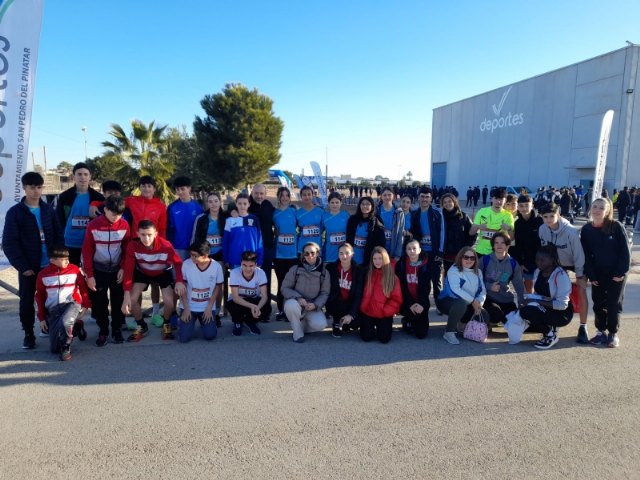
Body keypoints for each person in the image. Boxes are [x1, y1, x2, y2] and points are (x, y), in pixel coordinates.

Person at [3, 172, 65, 349]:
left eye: (39, 187)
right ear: (24, 188)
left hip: (50, 265)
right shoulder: (15, 213)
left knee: (53, 300)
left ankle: (50, 328)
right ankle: (28, 334)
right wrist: (23, 266)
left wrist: (59, 259)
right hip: (29, 267)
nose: (35, 191)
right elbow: (9, 243)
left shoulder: (48, 210)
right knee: (27, 301)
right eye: (31, 187)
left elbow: (58, 235)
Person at [121, 220, 186, 342]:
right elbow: (129, 271)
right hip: (143, 272)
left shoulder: (165, 245)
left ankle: (166, 324)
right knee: (132, 299)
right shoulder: (132, 245)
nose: (146, 238)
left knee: (169, 302)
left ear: (156, 233)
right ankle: (141, 325)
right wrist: (126, 294)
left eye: (149, 235)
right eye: (143, 235)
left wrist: (179, 281)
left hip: (162, 272)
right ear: (137, 234)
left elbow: (178, 263)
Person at [580, 198, 631, 348]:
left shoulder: (616, 227)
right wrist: (591, 274)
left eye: (601, 208)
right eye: (594, 206)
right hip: (598, 273)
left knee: (613, 304)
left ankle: (613, 334)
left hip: (616, 273)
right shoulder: (587, 230)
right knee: (598, 303)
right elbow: (586, 255)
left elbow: (625, 252)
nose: (597, 210)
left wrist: (621, 272)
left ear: (608, 211)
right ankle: (601, 331)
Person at [81, 195, 130, 346]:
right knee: (100, 303)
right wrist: (89, 275)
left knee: (117, 302)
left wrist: (123, 267)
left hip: (116, 270)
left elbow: (127, 249)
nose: (117, 217)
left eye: (120, 214)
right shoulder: (93, 226)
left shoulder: (124, 225)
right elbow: (87, 251)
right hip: (98, 270)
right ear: (105, 210)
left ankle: (116, 329)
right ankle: (103, 330)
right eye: (114, 213)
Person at [538, 202, 589, 343]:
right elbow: (544, 251)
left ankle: (583, 327)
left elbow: (579, 255)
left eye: (551, 216)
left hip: (573, 263)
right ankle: (553, 324)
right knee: (551, 292)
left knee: (581, 291)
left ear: (558, 215)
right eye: (545, 216)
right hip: (555, 265)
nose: (548, 219)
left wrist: (580, 275)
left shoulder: (570, 231)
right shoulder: (542, 229)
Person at [35, 245, 91, 361]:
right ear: (52, 260)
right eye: (63, 259)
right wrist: (41, 318)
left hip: (71, 303)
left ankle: (66, 347)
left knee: (65, 323)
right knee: (54, 349)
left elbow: (83, 288)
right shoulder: (43, 274)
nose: (67, 261)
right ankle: (77, 325)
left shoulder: (74, 269)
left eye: (68, 258)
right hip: (53, 309)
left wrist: (86, 305)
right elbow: (39, 296)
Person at [124, 175, 168, 316]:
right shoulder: (131, 201)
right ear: (140, 188)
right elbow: (113, 203)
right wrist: (94, 204)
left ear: (154, 189)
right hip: (136, 245)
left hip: (154, 245)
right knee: (137, 280)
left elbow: (162, 229)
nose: (146, 189)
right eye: (143, 186)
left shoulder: (160, 206)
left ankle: (155, 311)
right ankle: (138, 311)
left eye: (149, 186)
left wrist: (161, 248)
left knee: (155, 280)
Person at [519, 245, 574, 349]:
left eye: (542, 260)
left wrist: (536, 302)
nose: (539, 262)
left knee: (528, 311)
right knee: (524, 310)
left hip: (562, 313)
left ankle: (551, 334)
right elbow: (537, 295)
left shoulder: (561, 276)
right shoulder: (538, 272)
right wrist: (528, 300)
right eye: (537, 259)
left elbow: (562, 305)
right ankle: (549, 328)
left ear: (552, 260)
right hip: (547, 307)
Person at [436, 247, 489, 345]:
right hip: (447, 301)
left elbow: (482, 291)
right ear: (460, 258)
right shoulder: (454, 270)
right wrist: (473, 301)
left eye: (472, 258)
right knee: (460, 304)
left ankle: (462, 323)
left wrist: (479, 303)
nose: (469, 260)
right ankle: (449, 332)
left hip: (468, 302)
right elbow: (455, 290)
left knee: (484, 315)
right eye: (466, 257)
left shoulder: (478, 272)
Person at [56, 162, 105, 265]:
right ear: (74, 176)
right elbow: (59, 220)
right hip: (69, 243)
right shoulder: (65, 196)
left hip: (91, 243)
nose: (83, 177)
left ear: (90, 177)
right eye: (79, 174)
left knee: (89, 277)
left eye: (86, 174)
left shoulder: (98, 198)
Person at [281, 242, 331, 343]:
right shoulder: (295, 269)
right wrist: (298, 298)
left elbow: (325, 293)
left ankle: (299, 326)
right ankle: (298, 334)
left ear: (318, 253)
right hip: (296, 303)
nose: (310, 256)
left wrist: (316, 305)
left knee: (321, 324)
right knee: (291, 305)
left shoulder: (324, 271)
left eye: (312, 252)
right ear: (303, 254)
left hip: (311, 305)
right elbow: (285, 288)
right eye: (306, 253)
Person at [192, 192, 228, 326]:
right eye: (210, 201)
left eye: (216, 201)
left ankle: (216, 312)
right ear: (207, 203)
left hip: (220, 254)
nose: (213, 204)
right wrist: (195, 254)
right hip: (205, 254)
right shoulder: (201, 218)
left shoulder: (227, 217)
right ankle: (203, 310)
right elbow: (195, 237)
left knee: (218, 284)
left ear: (220, 202)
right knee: (205, 284)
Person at [177, 241, 224, 342]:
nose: (192, 258)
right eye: (191, 255)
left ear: (205, 255)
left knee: (210, 336)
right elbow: (183, 287)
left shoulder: (216, 267)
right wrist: (186, 308)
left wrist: (210, 308)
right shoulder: (186, 264)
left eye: (195, 256)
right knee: (184, 338)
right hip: (189, 306)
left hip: (206, 307)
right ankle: (184, 324)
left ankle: (210, 325)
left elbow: (217, 287)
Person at [479, 232, 525, 326]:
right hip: (488, 298)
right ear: (493, 245)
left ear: (507, 245)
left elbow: (519, 286)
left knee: (516, 322)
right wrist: (489, 286)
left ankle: (501, 319)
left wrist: (522, 304)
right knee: (495, 314)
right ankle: (488, 320)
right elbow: (475, 281)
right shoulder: (484, 260)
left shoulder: (513, 264)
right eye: (496, 242)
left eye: (502, 242)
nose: (499, 245)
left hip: (506, 299)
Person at [358, 246, 402, 344]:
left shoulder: (393, 278)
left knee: (384, 339)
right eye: (375, 259)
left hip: (383, 313)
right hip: (368, 311)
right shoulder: (367, 273)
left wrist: (386, 311)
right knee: (366, 337)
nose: (377, 261)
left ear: (385, 259)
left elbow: (396, 299)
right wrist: (363, 308)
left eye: (380, 258)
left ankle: (384, 326)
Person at [409, 186, 445, 301]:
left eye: (427, 197)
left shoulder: (437, 214)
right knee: (422, 280)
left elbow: (442, 233)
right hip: (420, 253)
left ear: (431, 199)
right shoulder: (414, 214)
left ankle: (438, 303)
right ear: (418, 198)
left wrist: (440, 251)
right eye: (422, 196)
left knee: (436, 280)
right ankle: (423, 302)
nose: (425, 199)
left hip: (434, 253)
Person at [248, 183, 276, 319]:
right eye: (256, 193)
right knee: (250, 281)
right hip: (250, 250)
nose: (259, 196)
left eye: (261, 194)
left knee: (265, 280)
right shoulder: (246, 205)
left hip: (266, 248)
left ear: (265, 194)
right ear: (252, 193)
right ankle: (250, 311)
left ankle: (265, 311)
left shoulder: (268, 206)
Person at [227, 250, 269, 336]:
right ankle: (237, 322)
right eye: (244, 265)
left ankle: (250, 322)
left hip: (253, 300)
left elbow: (264, 296)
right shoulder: (234, 272)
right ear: (241, 263)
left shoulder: (261, 273)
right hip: (239, 301)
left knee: (266, 308)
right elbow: (235, 297)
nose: (248, 269)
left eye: (251, 266)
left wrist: (257, 307)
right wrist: (252, 306)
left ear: (256, 265)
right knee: (232, 305)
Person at [325, 243, 364, 338]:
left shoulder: (358, 270)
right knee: (338, 305)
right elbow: (325, 288)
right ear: (338, 254)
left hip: (350, 303)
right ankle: (336, 323)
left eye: (347, 253)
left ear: (352, 254)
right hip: (335, 303)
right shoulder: (331, 268)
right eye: (341, 253)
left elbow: (358, 294)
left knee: (356, 324)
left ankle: (346, 322)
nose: (344, 256)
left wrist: (351, 314)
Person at [272, 187, 299, 321]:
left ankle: (291, 310)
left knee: (292, 284)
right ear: (278, 197)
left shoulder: (294, 212)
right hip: (279, 255)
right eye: (282, 195)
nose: (284, 198)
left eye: (287, 195)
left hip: (293, 255)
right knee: (282, 283)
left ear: (290, 197)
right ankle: (281, 310)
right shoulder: (274, 213)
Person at [395, 240, 430, 339]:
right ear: (405, 251)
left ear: (419, 250)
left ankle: (413, 321)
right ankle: (407, 320)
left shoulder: (426, 265)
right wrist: (410, 304)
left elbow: (426, 288)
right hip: (407, 302)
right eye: (409, 249)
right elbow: (401, 287)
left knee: (421, 334)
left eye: (414, 248)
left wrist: (422, 304)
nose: (412, 251)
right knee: (413, 319)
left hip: (421, 302)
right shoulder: (401, 265)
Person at [509, 194, 543, 293]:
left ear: (532, 205)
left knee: (541, 290)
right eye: (521, 206)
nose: (524, 208)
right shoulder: (517, 223)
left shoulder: (540, 221)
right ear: (518, 207)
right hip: (526, 263)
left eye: (527, 205)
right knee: (528, 291)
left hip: (541, 262)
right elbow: (518, 245)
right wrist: (520, 263)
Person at [469, 187, 514, 257]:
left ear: (505, 200)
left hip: (498, 253)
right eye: (496, 198)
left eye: (501, 199)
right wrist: (478, 227)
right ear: (492, 198)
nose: (498, 202)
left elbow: (512, 238)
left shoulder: (508, 215)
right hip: (481, 251)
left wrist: (509, 229)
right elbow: (471, 232)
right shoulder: (482, 211)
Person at [223, 193, 263, 269]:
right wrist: (226, 258)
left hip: (251, 260)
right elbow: (226, 241)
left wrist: (260, 259)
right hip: (235, 260)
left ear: (249, 204)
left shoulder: (255, 219)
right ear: (236, 204)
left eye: (245, 203)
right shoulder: (229, 220)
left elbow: (259, 241)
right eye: (240, 203)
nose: (242, 206)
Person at [167, 176, 203, 260]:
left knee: (194, 272)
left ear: (189, 188)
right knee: (180, 272)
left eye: (182, 189)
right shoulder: (172, 208)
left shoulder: (198, 207)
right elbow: (169, 229)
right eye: (177, 189)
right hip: (178, 247)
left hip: (195, 247)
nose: (180, 192)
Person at [440, 193, 476, 273]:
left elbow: (472, 234)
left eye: (449, 201)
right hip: (447, 255)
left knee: (462, 276)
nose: (447, 204)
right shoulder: (440, 217)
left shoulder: (463, 216)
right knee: (448, 276)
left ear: (454, 202)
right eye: (445, 202)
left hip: (461, 254)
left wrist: (466, 247)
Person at [346, 196, 386, 266]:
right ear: (359, 206)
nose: (365, 206)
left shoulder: (376, 221)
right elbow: (348, 238)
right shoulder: (352, 220)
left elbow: (381, 243)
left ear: (372, 206)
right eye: (362, 204)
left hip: (368, 260)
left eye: (368, 204)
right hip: (353, 259)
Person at [377, 186, 406, 261]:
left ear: (393, 196)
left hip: (393, 250)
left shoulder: (399, 212)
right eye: (384, 195)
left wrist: (398, 254)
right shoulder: (376, 211)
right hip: (379, 250)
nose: (387, 197)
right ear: (381, 196)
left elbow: (400, 234)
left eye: (389, 195)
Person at [322, 192, 350, 264]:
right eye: (332, 202)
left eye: (337, 202)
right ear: (328, 203)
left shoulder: (346, 215)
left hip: (344, 253)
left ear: (341, 203)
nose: (335, 205)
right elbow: (319, 231)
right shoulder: (324, 216)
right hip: (330, 252)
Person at [295, 185, 324, 252]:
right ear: (301, 196)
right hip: (302, 248)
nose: (307, 197)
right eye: (304, 195)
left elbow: (324, 228)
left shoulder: (320, 212)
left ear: (312, 195)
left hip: (317, 248)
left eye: (309, 194)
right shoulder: (297, 213)